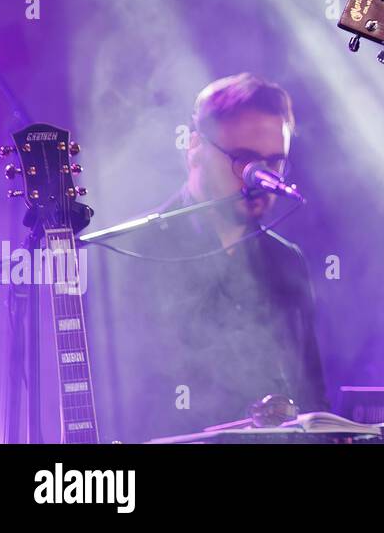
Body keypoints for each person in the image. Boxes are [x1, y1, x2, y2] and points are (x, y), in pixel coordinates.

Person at [92, 73, 328, 441]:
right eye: (245, 162)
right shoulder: (133, 253)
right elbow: (124, 402)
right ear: (195, 148)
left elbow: (313, 396)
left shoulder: (286, 260)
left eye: (273, 163)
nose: (262, 179)